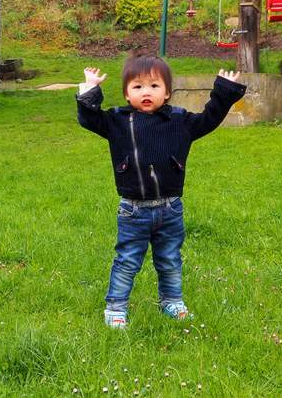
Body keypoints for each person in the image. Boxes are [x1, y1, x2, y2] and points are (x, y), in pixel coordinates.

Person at [76, 53, 246, 327]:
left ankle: (171, 301)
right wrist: (89, 89)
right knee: (127, 261)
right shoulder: (116, 121)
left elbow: (209, 119)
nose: (146, 92)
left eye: (154, 86)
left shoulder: (179, 121)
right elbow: (88, 118)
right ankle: (116, 308)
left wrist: (225, 90)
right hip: (133, 210)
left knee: (169, 259)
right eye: (137, 86)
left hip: (170, 208)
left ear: (167, 92)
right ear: (127, 93)